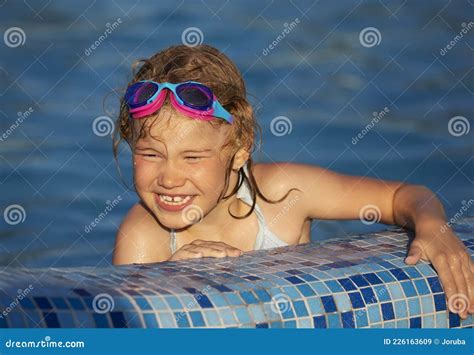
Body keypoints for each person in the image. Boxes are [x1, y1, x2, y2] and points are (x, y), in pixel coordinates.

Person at [112, 44, 473, 319]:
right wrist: (171, 280)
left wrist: (434, 229)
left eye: (192, 158)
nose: (169, 178)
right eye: (150, 155)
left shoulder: (285, 193)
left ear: (239, 150)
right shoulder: (143, 236)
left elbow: (402, 195)